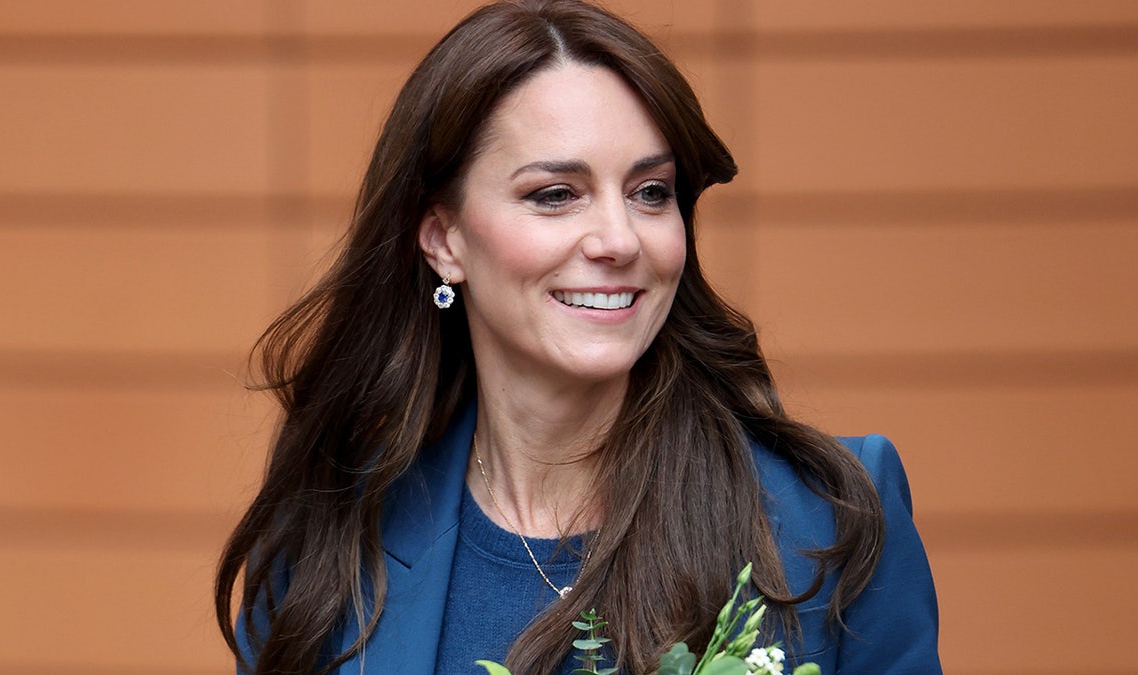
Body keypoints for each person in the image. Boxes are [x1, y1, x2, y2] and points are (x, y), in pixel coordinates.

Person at [215, 1, 941, 673]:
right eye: (555, 195)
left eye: (650, 192)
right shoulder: (326, 545)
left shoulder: (835, 517)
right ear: (444, 238)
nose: (619, 239)